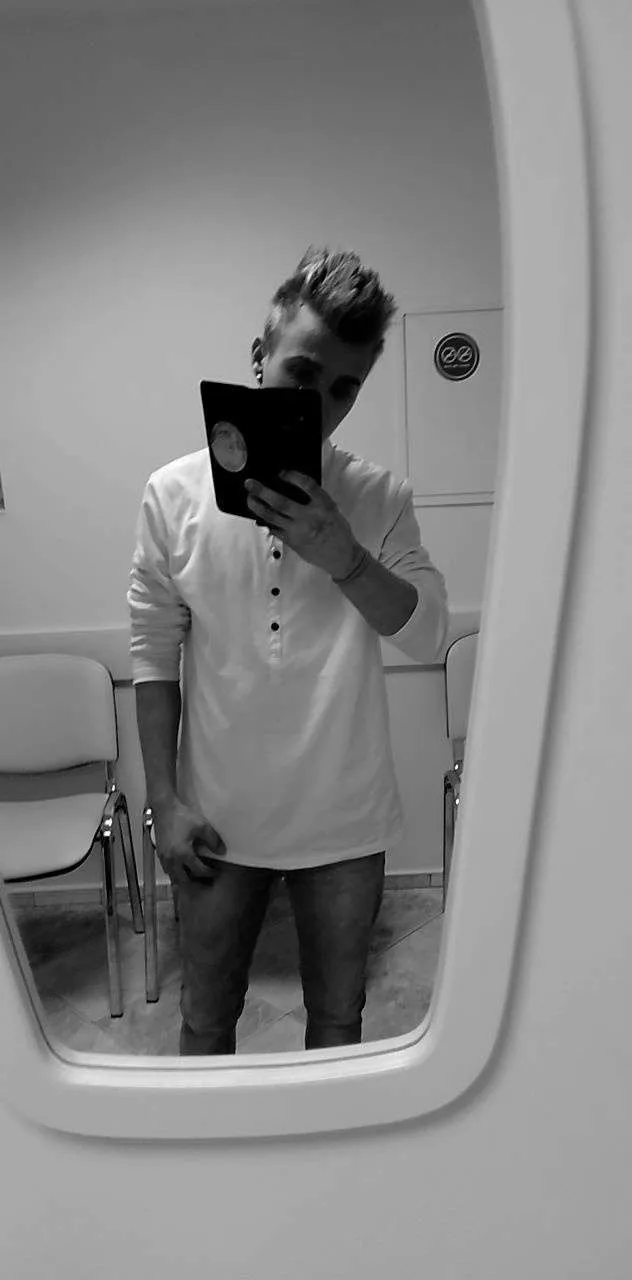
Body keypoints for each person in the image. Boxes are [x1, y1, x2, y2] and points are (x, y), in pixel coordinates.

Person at [127, 245, 448, 1056]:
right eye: (303, 373)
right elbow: (153, 652)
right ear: (259, 356)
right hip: (216, 816)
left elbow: (427, 630)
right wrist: (164, 801)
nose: (322, 403)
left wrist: (345, 557)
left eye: (345, 388)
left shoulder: (379, 496)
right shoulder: (172, 495)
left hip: (345, 819)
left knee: (338, 1023)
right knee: (206, 1020)